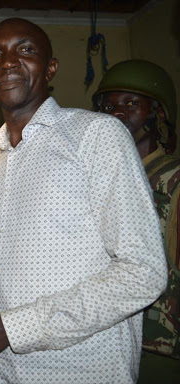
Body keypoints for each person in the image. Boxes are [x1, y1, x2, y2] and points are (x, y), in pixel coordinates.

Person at [0, 18, 168, 384]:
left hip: (85, 372)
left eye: (26, 50)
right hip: (3, 373)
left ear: (50, 68)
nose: (8, 61)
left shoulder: (96, 136)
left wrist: (9, 329)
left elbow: (142, 272)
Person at [93, 60, 180, 373]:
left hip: (159, 348)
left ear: (157, 114)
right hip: (106, 338)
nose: (117, 112)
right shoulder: (99, 178)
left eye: (132, 103)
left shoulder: (173, 180)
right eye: (108, 105)